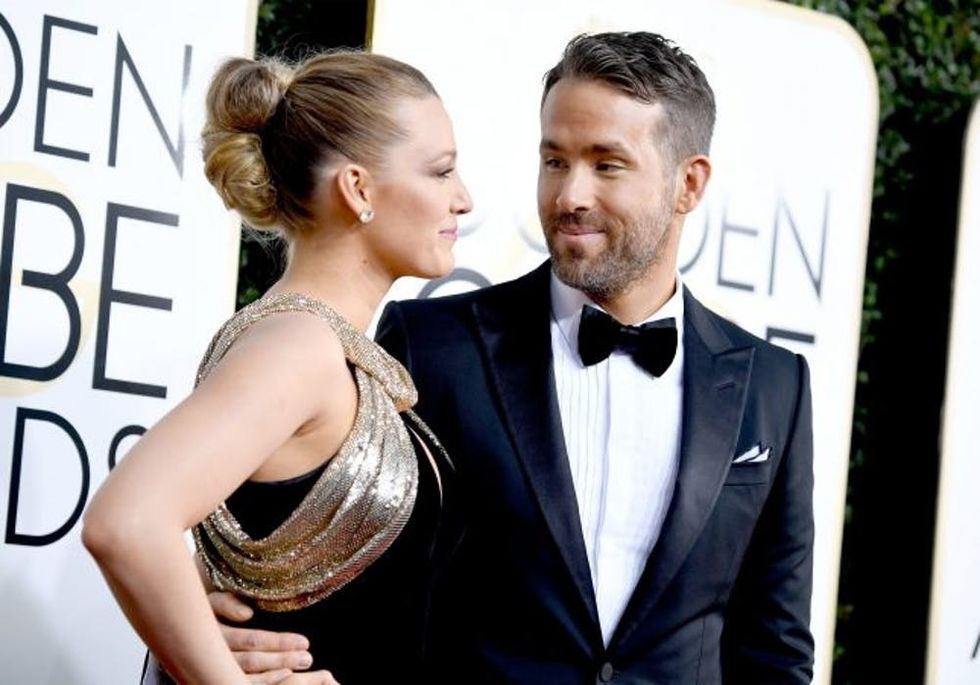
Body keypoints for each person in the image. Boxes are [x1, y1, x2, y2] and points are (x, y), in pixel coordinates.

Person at [213, 31, 816, 684]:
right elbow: (322, 549)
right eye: (555, 160)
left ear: (688, 182)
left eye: (606, 164)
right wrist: (218, 627)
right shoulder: (433, 347)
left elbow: (775, 651)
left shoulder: (773, 386)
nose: (569, 195)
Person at [82, 49, 472, 685]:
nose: (463, 199)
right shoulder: (300, 346)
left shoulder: (314, 342)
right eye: (441, 172)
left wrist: (203, 627)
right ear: (358, 189)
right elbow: (126, 522)